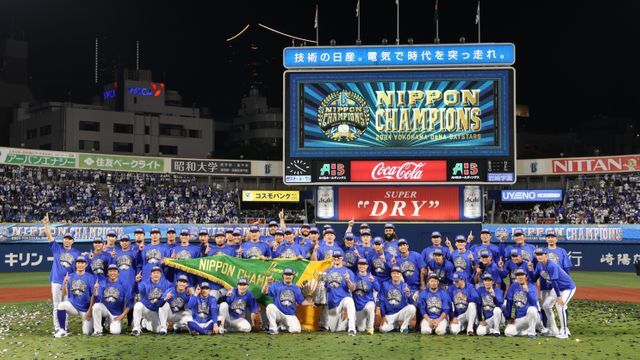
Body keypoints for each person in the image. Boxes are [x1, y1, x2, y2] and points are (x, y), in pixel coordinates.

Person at [44, 213, 81, 336]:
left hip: (68, 283)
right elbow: (50, 237)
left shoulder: (76, 253)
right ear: (63, 239)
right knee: (56, 305)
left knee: (65, 305)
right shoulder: (57, 249)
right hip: (56, 281)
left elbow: (78, 269)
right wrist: (46, 225)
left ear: (73, 241)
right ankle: (57, 328)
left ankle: (64, 327)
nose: (67, 240)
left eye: (69, 238)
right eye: (65, 238)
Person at [532, 248, 576, 339]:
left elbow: (555, 282)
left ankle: (564, 331)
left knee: (560, 306)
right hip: (557, 289)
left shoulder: (552, 265)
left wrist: (559, 297)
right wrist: (529, 269)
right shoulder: (539, 265)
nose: (539, 256)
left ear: (546, 255)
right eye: (537, 254)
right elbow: (533, 278)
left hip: (568, 288)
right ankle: (554, 329)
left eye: (541, 254)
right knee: (546, 306)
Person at [262, 268, 314, 334]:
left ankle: (281, 327)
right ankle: (273, 329)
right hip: (278, 313)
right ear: (283, 276)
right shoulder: (276, 285)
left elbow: (302, 302)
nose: (288, 276)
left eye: (290, 275)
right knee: (270, 307)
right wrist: (266, 283)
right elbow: (264, 292)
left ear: (293, 276)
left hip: (290, 315)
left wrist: (311, 303)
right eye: (286, 274)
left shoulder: (296, 288)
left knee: (296, 330)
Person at [56, 255, 97, 337]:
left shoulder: (91, 277)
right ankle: (62, 330)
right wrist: (64, 282)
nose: (80, 265)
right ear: (76, 265)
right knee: (61, 305)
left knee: (87, 332)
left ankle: (92, 325)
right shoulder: (70, 276)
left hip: (86, 309)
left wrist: (90, 311)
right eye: (78, 263)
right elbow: (64, 293)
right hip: (73, 306)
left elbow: (94, 296)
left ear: (86, 265)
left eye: (82, 263)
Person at [323, 250, 357, 335]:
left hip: (343, 299)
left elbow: (353, 289)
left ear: (342, 258)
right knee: (334, 329)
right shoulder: (327, 272)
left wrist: (348, 280)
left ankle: (352, 329)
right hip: (332, 303)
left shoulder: (348, 272)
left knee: (349, 301)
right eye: (335, 257)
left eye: (339, 257)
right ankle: (346, 321)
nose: (337, 258)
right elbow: (323, 287)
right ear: (332, 258)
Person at [92, 264, 133, 336]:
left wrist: (122, 316)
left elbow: (130, 302)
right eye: (110, 271)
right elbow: (97, 299)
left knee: (115, 332)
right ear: (107, 273)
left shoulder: (124, 284)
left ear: (118, 273)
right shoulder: (103, 283)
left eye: (114, 271)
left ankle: (112, 323)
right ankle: (98, 330)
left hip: (117, 314)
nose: (112, 273)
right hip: (106, 311)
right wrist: (95, 291)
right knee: (96, 306)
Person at [131, 266, 173, 336]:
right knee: (138, 305)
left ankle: (145, 323)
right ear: (150, 275)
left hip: (157, 311)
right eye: (154, 273)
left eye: (158, 273)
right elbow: (136, 291)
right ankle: (136, 329)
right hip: (147, 309)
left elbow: (172, 289)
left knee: (157, 330)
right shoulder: (145, 283)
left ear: (160, 275)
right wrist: (136, 282)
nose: (156, 274)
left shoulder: (166, 283)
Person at [378, 266, 416, 334]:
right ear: (391, 274)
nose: (396, 275)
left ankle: (404, 327)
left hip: (401, 312)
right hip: (389, 314)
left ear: (400, 275)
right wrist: (383, 316)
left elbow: (411, 302)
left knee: (412, 308)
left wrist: (408, 295)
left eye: (398, 273)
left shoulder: (405, 285)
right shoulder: (385, 285)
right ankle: (396, 325)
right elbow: (381, 301)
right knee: (382, 329)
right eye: (394, 273)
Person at [504, 269, 540, 339]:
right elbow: (509, 302)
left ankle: (532, 332)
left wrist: (527, 291)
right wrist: (509, 317)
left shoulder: (531, 286)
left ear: (526, 277)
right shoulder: (513, 286)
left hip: (533, 317)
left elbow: (533, 303)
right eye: (518, 275)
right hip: (520, 318)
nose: (520, 277)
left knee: (532, 309)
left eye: (522, 275)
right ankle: (525, 332)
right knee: (508, 332)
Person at [352, 258, 379, 334]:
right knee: (361, 329)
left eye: (364, 264)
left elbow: (378, 289)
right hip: (358, 306)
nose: (362, 266)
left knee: (370, 306)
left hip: (368, 302)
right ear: (357, 266)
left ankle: (370, 328)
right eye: (360, 264)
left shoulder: (372, 277)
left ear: (367, 266)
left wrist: (373, 281)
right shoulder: (354, 277)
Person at [447, 272, 479, 336]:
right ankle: (464, 327)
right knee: (453, 331)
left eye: (457, 281)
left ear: (462, 280)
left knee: (472, 304)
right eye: (454, 281)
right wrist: (453, 317)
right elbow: (448, 304)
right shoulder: (451, 288)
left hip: (469, 313)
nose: (455, 283)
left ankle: (470, 329)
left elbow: (476, 298)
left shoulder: (470, 287)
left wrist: (466, 298)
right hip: (459, 316)